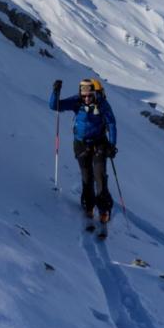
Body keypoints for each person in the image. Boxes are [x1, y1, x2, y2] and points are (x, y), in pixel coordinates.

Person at [50, 78, 118, 222]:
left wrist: (112, 145)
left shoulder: (102, 104)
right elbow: (55, 106)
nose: (86, 98)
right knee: (87, 178)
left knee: (100, 177)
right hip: (81, 145)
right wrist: (55, 92)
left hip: (99, 144)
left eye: (89, 95)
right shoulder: (77, 101)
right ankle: (88, 205)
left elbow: (111, 123)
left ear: (95, 93)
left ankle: (104, 209)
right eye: (84, 95)